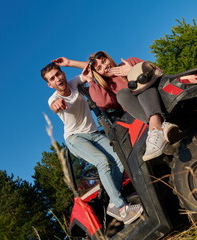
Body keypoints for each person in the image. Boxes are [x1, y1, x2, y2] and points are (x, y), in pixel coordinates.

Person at [41, 62, 143, 224]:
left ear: (63, 74)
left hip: (94, 133)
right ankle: (122, 208)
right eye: (52, 78)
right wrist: (56, 106)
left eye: (58, 74)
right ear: (49, 84)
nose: (57, 79)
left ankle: (113, 202)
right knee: (102, 161)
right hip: (75, 138)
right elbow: (54, 106)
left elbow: (90, 68)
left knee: (120, 158)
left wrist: (68, 62)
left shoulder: (74, 82)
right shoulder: (54, 99)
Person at [52, 51, 181, 161]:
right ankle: (160, 126)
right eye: (99, 68)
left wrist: (132, 72)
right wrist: (90, 80)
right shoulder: (109, 87)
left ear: (109, 58)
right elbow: (102, 103)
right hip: (140, 114)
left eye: (104, 61)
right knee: (122, 94)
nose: (105, 66)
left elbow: (158, 72)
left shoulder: (130, 62)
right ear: (98, 73)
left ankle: (156, 128)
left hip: (161, 99)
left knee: (139, 81)